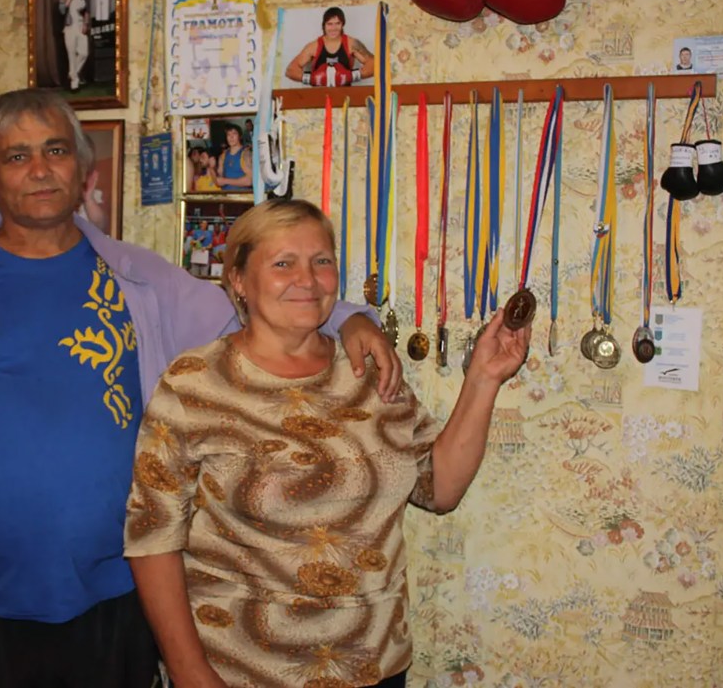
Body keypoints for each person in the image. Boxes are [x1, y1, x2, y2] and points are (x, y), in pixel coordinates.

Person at [0, 90, 401, 688]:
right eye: (16, 157)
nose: (40, 169)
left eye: (55, 150)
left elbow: (263, 307)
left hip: (113, 592)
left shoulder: (141, 279)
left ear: (83, 167)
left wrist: (347, 317)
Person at [124, 199, 530, 688]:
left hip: (373, 664)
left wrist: (485, 377)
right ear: (238, 280)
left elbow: (439, 487)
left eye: (322, 261)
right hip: (242, 669)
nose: (308, 279)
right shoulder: (194, 384)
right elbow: (152, 540)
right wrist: (189, 671)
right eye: (282, 264)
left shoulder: (370, 370)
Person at [285, 6, 375, 87]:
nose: (333, 28)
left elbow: (375, 65)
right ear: (324, 25)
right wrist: (313, 78)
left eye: (337, 23)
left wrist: (350, 76)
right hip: (319, 97)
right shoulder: (314, 46)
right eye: (330, 24)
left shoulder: (351, 44)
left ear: (342, 24)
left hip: (345, 96)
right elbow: (290, 70)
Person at [59, 0, 89, 91]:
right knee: (71, 54)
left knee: (83, 52)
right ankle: (74, 83)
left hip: (80, 25)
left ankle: (72, 74)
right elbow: (62, 10)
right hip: (70, 27)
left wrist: (85, 24)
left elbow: (86, 9)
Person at [215, 125, 252, 191]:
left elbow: (249, 180)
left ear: (240, 136)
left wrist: (225, 181)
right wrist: (211, 168)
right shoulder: (222, 156)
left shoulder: (245, 154)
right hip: (226, 198)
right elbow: (219, 181)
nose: (231, 137)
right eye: (228, 135)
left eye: (234, 133)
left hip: (242, 198)